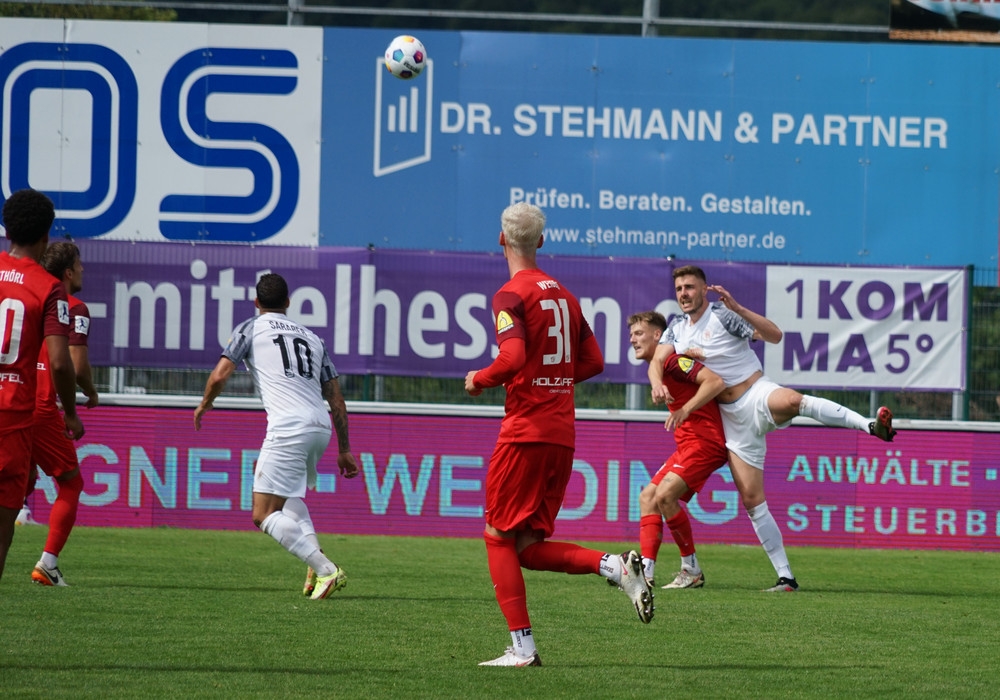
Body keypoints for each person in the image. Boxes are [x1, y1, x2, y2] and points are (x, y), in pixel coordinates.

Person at [465, 202, 653, 669]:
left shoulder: (509, 295)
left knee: (496, 536)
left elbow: (509, 360)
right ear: (541, 242)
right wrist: (552, 380)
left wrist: (480, 378)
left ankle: (522, 649)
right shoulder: (565, 296)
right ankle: (613, 566)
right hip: (562, 433)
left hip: (525, 431)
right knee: (527, 549)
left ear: (502, 240)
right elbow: (592, 363)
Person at [649, 265, 897, 592]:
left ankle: (869, 426)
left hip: (755, 393)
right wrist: (656, 384)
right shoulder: (677, 328)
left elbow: (774, 335)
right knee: (752, 500)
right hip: (730, 420)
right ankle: (786, 578)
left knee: (794, 400)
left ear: (704, 289)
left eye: (690, 287)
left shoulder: (723, 316)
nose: (684, 293)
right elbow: (657, 361)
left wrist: (737, 307)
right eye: (679, 288)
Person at [194, 272, 358, 600]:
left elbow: (219, 375)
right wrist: (345, 449)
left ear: (256, 303)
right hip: (320, 427)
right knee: (287, 498)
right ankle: (314, 557)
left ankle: (327, 569)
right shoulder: (313, 338)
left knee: (263, 513)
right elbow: (336, 398)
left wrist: (204, 404)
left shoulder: (250, 327)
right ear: (288, 303)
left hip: (289, 427)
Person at [0, 189, 83, 583]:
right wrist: (70, 411)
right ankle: (48, 563)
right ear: (45, 234)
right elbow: (62, 361)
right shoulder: (48, 289)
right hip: (13, 416)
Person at [628, 311, 728, 590]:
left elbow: (715, 382)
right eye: (631, 335)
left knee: (664, 495)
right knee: (648, 496)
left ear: (657, 335)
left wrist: (685, 409)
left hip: (705, 443)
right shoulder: (659, 367)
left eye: (639, 333)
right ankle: (646, 573)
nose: (633, 340)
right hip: (687, 445)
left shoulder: (673, 361)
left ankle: (691, 569)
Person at [27, 241, 100, 586]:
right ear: (68, 273)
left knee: (21, 482)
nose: (84, 269)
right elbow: (75, 363)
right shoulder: (74, 307)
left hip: (10, 402)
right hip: (40, 410)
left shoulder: (31, 297)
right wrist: (90, 392)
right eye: (80, 264)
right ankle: (48, 564)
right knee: (72, 483)